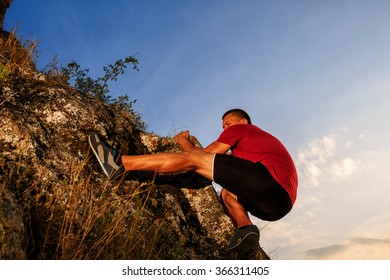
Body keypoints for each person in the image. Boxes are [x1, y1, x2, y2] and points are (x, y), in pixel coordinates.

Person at [89, 109, 298, 255]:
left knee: (196, 161)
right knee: (227, 192)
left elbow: (202, 155)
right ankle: (245, 229)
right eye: (224, 125)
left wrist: (182, 141)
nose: (225, 128)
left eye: (228, 123)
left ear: (243, 122)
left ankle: (119, 163)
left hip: (270, 182)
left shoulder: (244, 129)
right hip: (280, 205)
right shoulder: (255, 146)